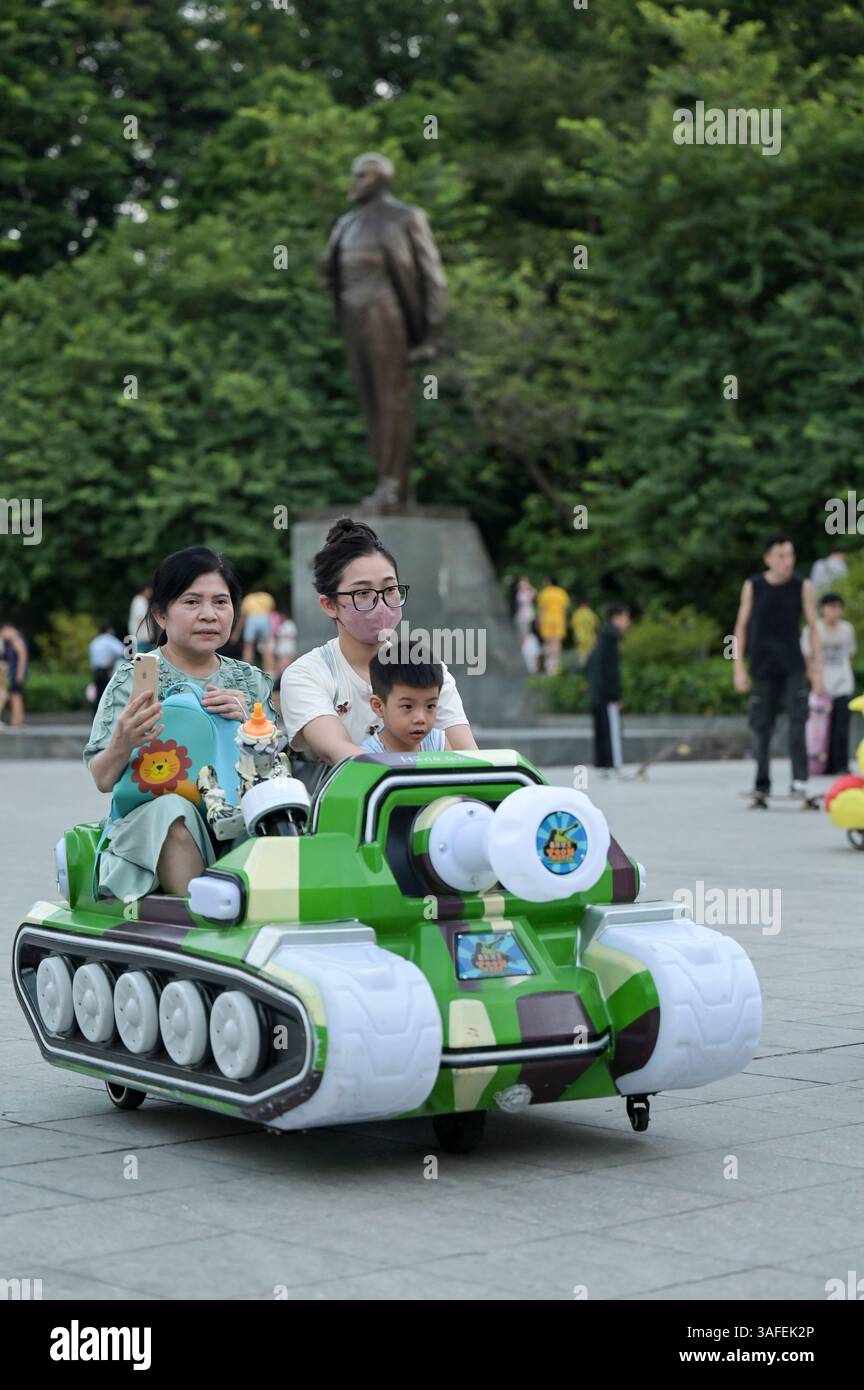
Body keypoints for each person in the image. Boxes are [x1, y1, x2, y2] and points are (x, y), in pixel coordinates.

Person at [83, 547, 275, 899]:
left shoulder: (251, 681)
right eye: (191, 602)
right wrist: (123, 741)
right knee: (175, 810)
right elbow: (102, 778)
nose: (209, 615)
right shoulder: (133, 679)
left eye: (221, 602)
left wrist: (251, 723)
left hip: (233, 820)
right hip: (155, 828)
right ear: (161, 614)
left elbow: (277, 770)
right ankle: (205, 920)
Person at [280, 517, 476, 772]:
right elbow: (337, 751)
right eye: (363, 593)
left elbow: (467, 756)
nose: (381, 604)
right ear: (329, 605)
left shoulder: (424, 666)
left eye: (390, 589)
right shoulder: (307, 674)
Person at [733, 532, 824, 805]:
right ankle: (762, 783)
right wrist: (738, 667)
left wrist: (816, 669)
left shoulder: (802, 586)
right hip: (762, 666)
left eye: (791, 555)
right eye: (782, 556)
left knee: (798, 722)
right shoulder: (753, 585)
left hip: (793, 665)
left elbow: (813, 628)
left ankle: (800, 780)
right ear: (768, 558)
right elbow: (740, 627)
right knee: (761, 726)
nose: (788, 561)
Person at [801, 593, 857, 775]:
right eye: (831, 607)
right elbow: (807, 658)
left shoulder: (847, 629)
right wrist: (814, 680)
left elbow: (849, 655)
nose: (835, 612)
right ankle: (820, 764)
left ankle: (841, 765)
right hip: (822, 684)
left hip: (843, 683)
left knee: (842, 727)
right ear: (822, 609)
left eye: (838, 607)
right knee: (820, 728)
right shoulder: (813, 629)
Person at [361, 655, 446, 754]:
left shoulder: (438, 743)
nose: (420, 719)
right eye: (408, 706)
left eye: (430, 706)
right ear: (379, 706)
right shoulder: (367, 756)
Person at [587, 603, 631, 775]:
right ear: (617, 617)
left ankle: (602, 763)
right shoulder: (612, 638)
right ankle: (614, 764)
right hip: (606, 694)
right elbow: (612, 670)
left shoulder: (602, 637)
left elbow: (590, 663)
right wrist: (615, 695)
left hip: (597, 691)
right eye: (626, 618)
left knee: (602, 727)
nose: (628, 623)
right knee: (611, 728)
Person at [536, 577, 570, 675]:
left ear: (549, 582)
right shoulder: (562, 593)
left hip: (547, 620)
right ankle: (557, 665)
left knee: (547, 642)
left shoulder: (544, 593)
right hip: (559, 620)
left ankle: (549, 665)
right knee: (557, 642)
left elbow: (541, 609)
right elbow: (564, 609)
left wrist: (539, 622)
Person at [0, 622, 28, 727]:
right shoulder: (15, 640)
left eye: (3, 633)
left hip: (18, 672)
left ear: (8, 629)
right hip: (16, 672)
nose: (4, 636)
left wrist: (19, 673)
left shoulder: (16, 640)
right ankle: (18, 720)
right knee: (16, 696)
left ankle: (17, 721)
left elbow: (22, 657)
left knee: (15, 696)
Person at [89, 624, 126, 703]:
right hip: (106, 670)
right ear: (108, 630)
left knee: (98, 693)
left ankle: (96, 713)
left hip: (96, 671)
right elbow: (122, 651)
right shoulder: (110, 639)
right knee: (106, 693)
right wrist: (112, 660)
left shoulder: (95, 641)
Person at [240, 589, 276, 666]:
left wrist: (237, 632)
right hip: (265, 618)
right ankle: (269, 670)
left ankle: (247, 668)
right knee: (267, 647)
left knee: (249, 646)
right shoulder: (267, 597)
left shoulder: (248, 598)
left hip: (252, 618)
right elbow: (272, 612)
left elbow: (243, 616)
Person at [571, 597, 599, 669]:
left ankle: (584, 670)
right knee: (592, 655)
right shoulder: (591, 614)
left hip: (579, 638)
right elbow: (595, 625)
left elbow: (573, 625)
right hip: (591, 638)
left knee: (582, 656)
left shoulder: (576, 614)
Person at [128, 584, 154, 655]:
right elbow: (141, 615)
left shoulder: (139, 600)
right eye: (149, 590)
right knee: (142, 659)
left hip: (140, 636)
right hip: (141, 636)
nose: (151, 592)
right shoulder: (140, 600)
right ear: (144, 591)